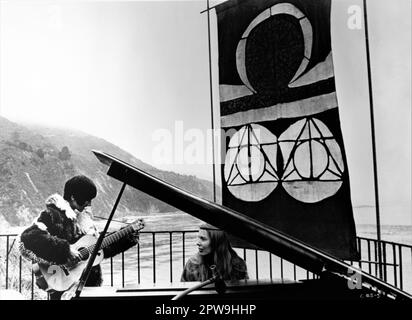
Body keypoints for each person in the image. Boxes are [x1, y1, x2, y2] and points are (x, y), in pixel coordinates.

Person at [18, 175, 140, 300]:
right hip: (63, 284)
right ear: (73, 197)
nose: (89, 203)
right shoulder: (53, 215)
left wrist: (126, 237)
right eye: (86, 198)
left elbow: (97, 249)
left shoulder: (84, 219)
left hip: (88, 287)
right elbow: (28, 239)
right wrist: (66, 251)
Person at [181, 223, 248, 282]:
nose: (198, 243)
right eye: (198, 238)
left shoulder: (236, 264)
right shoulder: (193, 263)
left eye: (203, 239)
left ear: (216, 242)